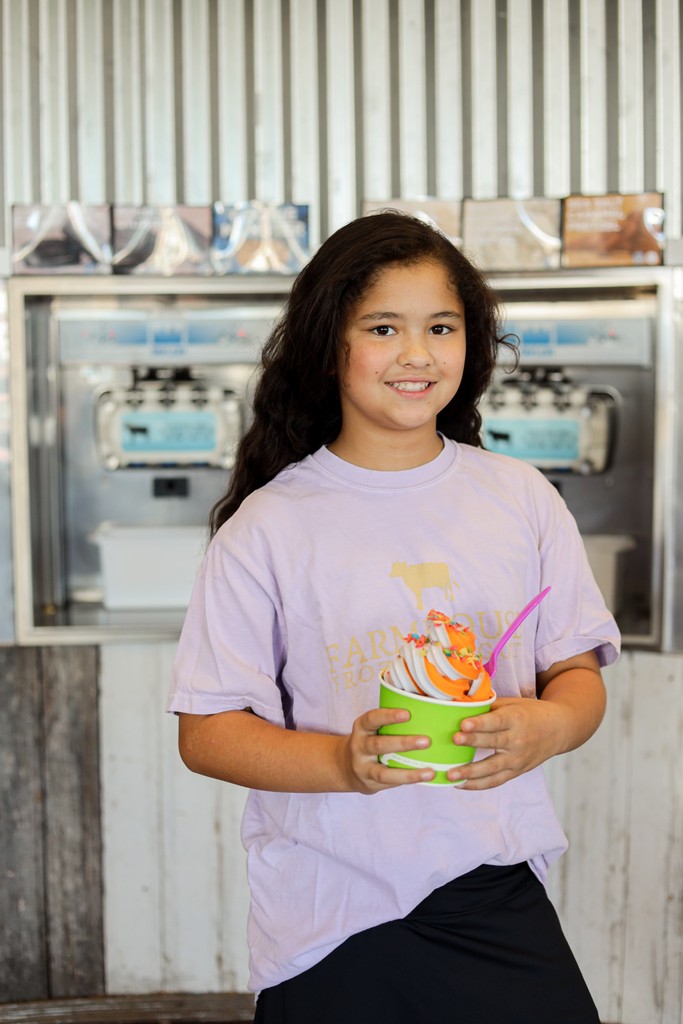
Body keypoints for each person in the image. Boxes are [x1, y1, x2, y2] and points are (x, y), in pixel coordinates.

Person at [168, 211, 620, 1023]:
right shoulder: (269, 526)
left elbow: (575, 675)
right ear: (328, 345)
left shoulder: (518, 498)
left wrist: (547, 728)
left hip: (491, 887)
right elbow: (206, 732)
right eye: (383, 327)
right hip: (331, 906)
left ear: (468, 344)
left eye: (440, 327)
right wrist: (345, 764)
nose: (416, 354)